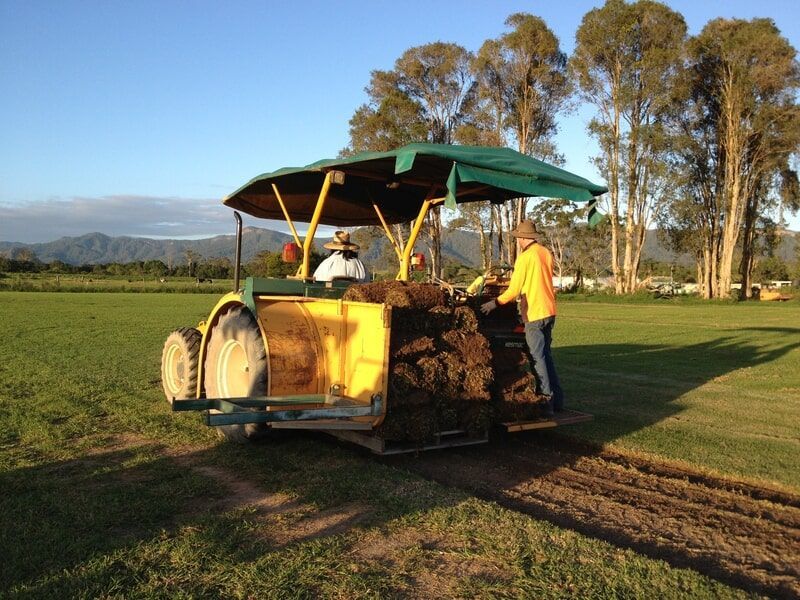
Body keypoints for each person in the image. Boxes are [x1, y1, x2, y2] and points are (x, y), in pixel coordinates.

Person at [480, 220, 563, 415]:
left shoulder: (525, 258)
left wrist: (494, 303)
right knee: (547, 356)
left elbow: (514, 290)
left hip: (534, 312)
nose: (517, 241)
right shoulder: (545, 253)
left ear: (524, 238)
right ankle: (558, 400)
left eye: (518, 238)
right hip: (549, 310)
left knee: (537, 358)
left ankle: (546, 402)